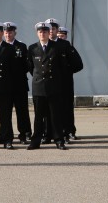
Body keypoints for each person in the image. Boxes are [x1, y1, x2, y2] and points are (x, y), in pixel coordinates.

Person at [27, 22, 67, 150]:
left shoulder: (56, 47)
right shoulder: (32, 48)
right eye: (40, 32)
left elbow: (62, 67)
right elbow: (30, 67)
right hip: (39, 86)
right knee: (38, 116)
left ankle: (59, 140)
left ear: (49, 33)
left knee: (55, 116)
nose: (42, 34)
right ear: (37, 33)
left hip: (53, 85)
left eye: (45, 32)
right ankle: (35, 141)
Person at [3, 22, 31, 145]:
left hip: (20, 84)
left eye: (10, 32)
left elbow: (27, 65)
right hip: (5, 85)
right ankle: (6, 135)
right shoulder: (1, 46)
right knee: (6, 112)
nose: (8, 34)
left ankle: (24, 134)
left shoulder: (21, 46)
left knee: (22, 111)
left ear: (15, 33)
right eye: (6, 32)